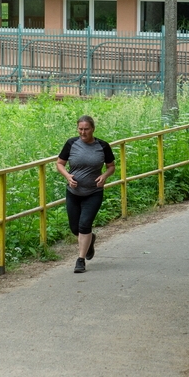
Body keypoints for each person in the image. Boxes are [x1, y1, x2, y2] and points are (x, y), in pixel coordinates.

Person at [56, 115, 116, 273]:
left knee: (84, 225)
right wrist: (68, 176)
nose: (83, 132)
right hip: (73, 192)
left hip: (93, 192)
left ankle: (80, 260)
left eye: (86, 129)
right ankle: (90, 240)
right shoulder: (71, 143)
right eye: (80, 129)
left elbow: (111, 166)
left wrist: (104, 176)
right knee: (75, 228)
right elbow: (60, 163)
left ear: (93, 129)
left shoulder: (102, 146)